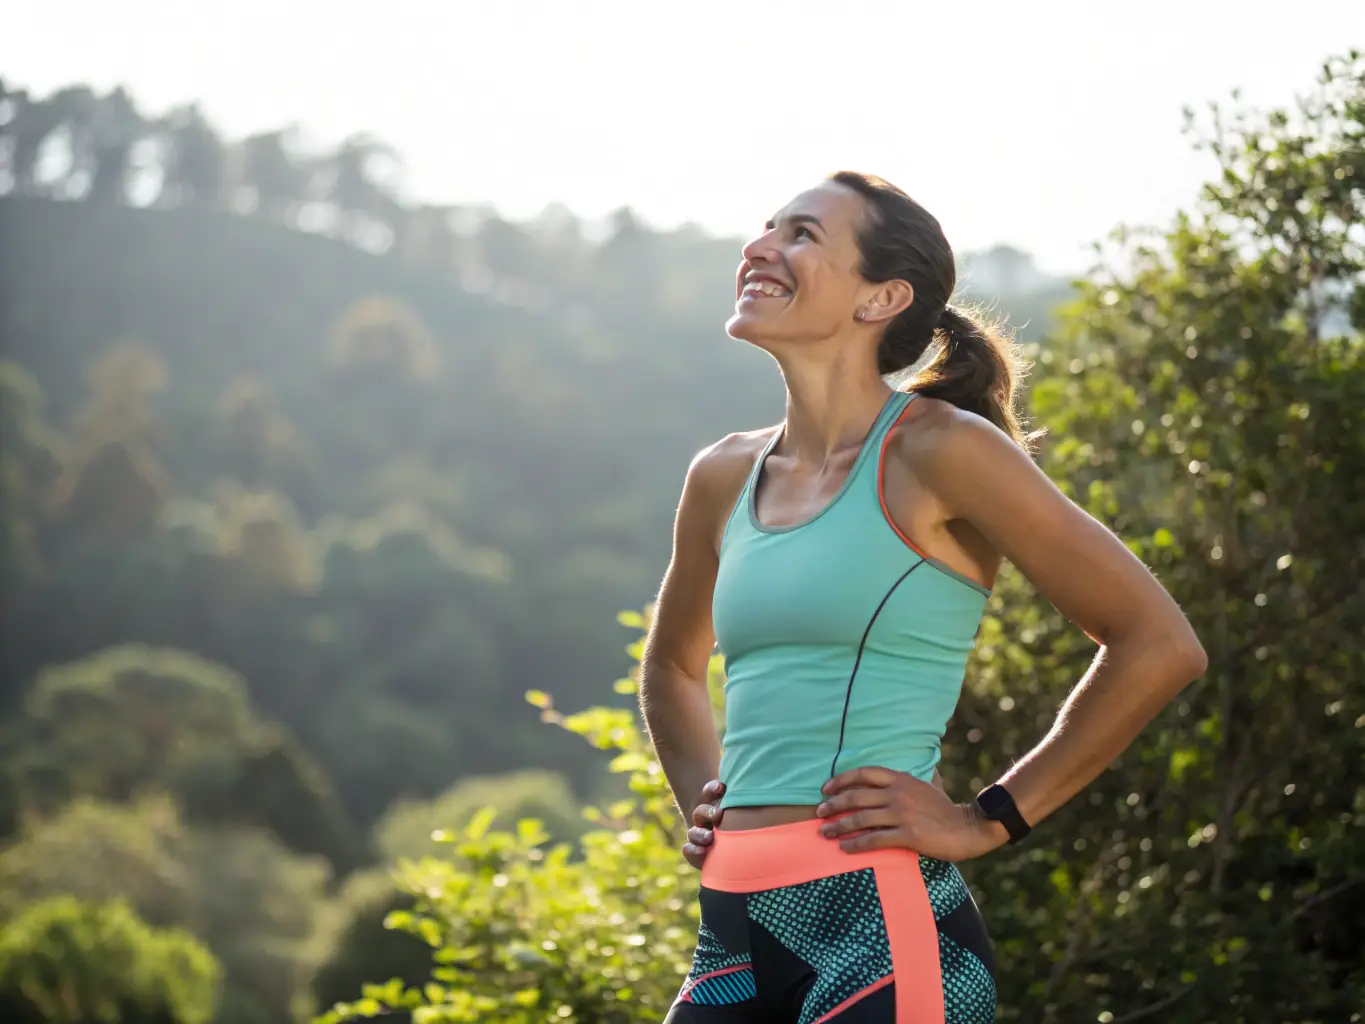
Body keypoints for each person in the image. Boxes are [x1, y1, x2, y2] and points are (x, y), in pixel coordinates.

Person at [638, 172, 1208, 1024]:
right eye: (764, 229)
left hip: (883, 924)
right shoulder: (722, 474)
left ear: (882, 297)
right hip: (731, 931)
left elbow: (1156, 643)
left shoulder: (943, 452)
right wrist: (703, 801)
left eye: (800, 235)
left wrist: (987, 820)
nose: (759, 248)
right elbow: (673, 669)